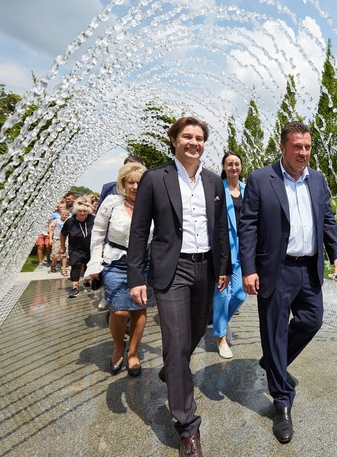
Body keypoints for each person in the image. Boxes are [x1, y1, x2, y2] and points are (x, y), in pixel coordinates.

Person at [127, 116, 231, 457]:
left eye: (199, 138)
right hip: (172, 270)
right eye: (187, 136)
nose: (194, 142)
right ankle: (187, 427)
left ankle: (172, 370)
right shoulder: (155, 178)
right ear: (174, 140)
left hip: (206, 269)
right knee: (174, 340)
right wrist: (135, 276)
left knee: (194, 334)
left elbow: (220, 229)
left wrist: (224, 267)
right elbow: (139, 230)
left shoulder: (213, 181)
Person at [238, 121, 337, 444]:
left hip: (308, 269)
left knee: (312, 320)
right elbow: (248, 226)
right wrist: (248, 268)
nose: (303, 152)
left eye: (308, 147)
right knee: (274, 332)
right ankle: (282, 404)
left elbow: (327, 219)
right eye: (297, 146)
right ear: (283, 147)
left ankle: (274, 361)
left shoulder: (318, 180)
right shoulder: (261, 179)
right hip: (275, 269)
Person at [88, 162, 153, 377]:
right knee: (120, 310)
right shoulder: (112, 203)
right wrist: (95, 263)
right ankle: (118, 347)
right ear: (122, 184)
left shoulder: (152, 204)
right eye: (130, 182)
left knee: (139, 309)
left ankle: (133, 353)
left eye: (139, 182)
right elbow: (98, 233)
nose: (135, 187)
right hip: (115, 261)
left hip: (144, 262)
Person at [211, 151, 246, 359]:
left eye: (237, 163)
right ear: (224, 167)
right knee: (222, 293)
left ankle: (219, 321)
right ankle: (220, 337)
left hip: (243, 248)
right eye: (229, 164)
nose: (233, 167)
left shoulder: (247, 189)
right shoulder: (217, 189)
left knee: (240, 294)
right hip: (223, 248)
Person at [60, 196, 95, 298]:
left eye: (85, 211)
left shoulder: (93, 219)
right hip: (75, 248)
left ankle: (86, 281)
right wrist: (62, 246)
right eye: (80, 211)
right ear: (76, 210)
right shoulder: (70, 221)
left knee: (89, 265)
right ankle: (75, 287)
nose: (82, 213)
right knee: (75, 265)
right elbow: (63, 234)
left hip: (90, 248)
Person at [49, 203, 69, 274]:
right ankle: (53, 265)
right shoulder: (56, 221)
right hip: (57, 239)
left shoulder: (69, 221)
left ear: (68, 215)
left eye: (66, 215)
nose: (64, 216)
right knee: (55, 254)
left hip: (66, 239)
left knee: (65, 254)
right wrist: (50, 238)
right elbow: (51, 230)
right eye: (63, 214)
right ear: (60, 214)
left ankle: (63, 269)